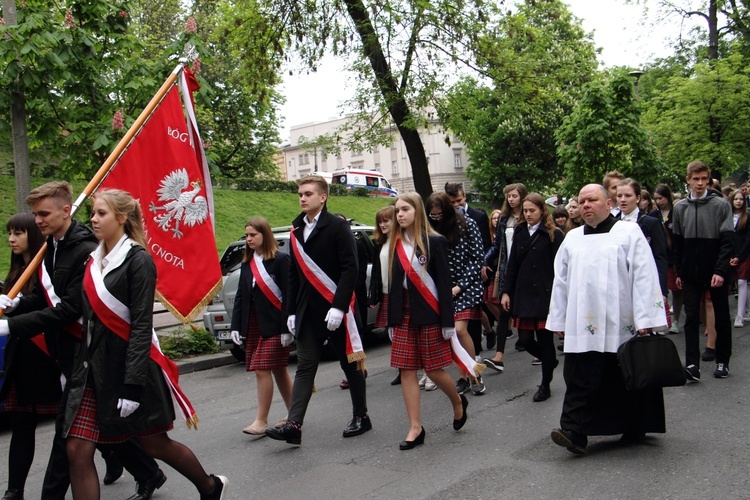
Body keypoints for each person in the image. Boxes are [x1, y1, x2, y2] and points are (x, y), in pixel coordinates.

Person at [0, 182, 165, 500]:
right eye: (35, 215)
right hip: (66, 351)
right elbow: (46, 296)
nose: (38, 221)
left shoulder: (86, 249)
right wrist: (18, 304)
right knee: (96, 428)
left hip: (86, 353)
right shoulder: (54, 245)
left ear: (65, 211)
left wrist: (11, 326)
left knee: (70, 437)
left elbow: (70, 309)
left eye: (44, 214)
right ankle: (149, 471)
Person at [62, 189, 227, 500]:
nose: (94, 220)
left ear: (122, 218)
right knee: (77, 448)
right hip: (91, 372)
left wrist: (133, 385)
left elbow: (141, 326)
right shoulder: (92, 261)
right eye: (93, 213)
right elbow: (80, 312)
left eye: (101, 214)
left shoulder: (138, 261)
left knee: (155, 445)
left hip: (130, 369)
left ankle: (209, 486)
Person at [547, 184, 668, 455]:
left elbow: (644, 274)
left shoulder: (628, 233)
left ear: (609, 203)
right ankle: (574, 432)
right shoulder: (573, 238)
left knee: (624, 375)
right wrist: (560, 320)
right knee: (580, 376)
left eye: (592, 200)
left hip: (621, 320)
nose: (586, 205)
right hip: (583, 323)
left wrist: (647, 316)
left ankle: (634, 424)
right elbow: (561, 282)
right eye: (582, 201)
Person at [267, 175, 370, 445]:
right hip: (307, 311)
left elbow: (350, 268)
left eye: (308, 193)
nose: (302, 198)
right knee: (305, 365)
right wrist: (289, 312)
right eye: (300, 193)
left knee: (350, 364)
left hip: (336, 310)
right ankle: (294, 424)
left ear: (322, 197)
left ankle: (362, 415)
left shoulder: (337, 226)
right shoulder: (296, 229)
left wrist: (338, 307)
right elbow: (293, 275)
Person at [387, 193, 468, 450]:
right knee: (406, 369)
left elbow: (443, 284)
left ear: (417, 211)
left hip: (430, 311)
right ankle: (415, 427)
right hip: (405, 312)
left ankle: (457, 402)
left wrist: (447, 320)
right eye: (397, 210)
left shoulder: (436, 242)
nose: (399, 214)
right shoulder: (396, 243)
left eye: (405, 209)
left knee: (433, 368)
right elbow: (393, 285)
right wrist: (392, 319)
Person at [0, 214, 61, 500]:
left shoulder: (44, 270)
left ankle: (140, 468)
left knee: (75, 428)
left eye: (18, 233)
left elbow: (48, 309)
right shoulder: (14, 272)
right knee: (21, 424)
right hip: (20, 358)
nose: (12, 239)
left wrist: (18, 309)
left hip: (45, 357)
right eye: (10, 233)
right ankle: (15, 490)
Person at [229, 216, 293, 435]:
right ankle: (295, 413)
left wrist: (287, 328)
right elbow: (241, 297)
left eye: (253, 235)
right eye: (247, 235)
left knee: (261, 368)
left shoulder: (281, 260)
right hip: (256, 324)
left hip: (276, 324)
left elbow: (289, 296)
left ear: (265, 235)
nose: (249, 239)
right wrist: (236, 326)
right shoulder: (247, 264)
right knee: (278, 369)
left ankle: (261, 420)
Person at [672, 161, 734, 380]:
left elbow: (727, 241)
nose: (699, 183)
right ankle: (691, 364)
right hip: (690, 271)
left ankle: (723, 361)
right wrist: (679, 271)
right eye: (695, 179)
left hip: (714, 268)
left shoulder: (721, 205)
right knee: (690, 318)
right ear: (688, 179)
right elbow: (677, 242)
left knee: (721, 316)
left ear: (708, 179)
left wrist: (720, 270)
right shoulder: (680, 208)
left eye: (703, 179)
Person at [501, 194, 564, 402]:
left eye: (532, 211)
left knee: (545, 340)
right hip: (523, 292)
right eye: (525, 211)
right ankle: (549, 359)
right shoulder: (519, 232)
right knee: (526, 340)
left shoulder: (553, 234)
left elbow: (560, 268)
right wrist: (506, 291)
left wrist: (559, 296)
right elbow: (512, 265)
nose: (528, 214)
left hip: (545, 294)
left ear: (542, 211)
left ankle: (545, 384)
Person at [427, 192, 486, 395]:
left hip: (467, 286)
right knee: (452, 335)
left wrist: (459, 286)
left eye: (439, 214)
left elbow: (477, 258)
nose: (436, 218)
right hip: (443, 288)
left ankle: (475, 373)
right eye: (432, 215)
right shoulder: (431, 229)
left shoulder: (467, 224)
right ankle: (463, 377)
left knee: (460, 330)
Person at [481, 183, 528, 372]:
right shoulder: (504, 219)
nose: (511, 199)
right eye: (509, 196)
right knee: (504, 311)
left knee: (527, 311)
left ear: (522, 196)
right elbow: (497, 245)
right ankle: (499, 356)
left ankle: (537, 349)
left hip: (526, 270)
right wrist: (484, 261)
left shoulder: (529, 216)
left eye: (515, 195)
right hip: (507, 270)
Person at [444, 182, 489, 359]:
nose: (456, 205)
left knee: (469, 323)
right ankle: (468, 364)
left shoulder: (476, 217)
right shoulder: (444, 222)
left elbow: (485, 244)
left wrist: (484, 265)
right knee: (458, 328)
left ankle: (475, 354)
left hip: (471, 278)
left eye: (459, 201)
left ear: (465, 197)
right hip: (452, 280)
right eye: (452, 202)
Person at [616, 178, 669, 305]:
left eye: (628, 195)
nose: (623, 199)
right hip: (620, 285)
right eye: (619, 196)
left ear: (638, 198)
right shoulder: (613, 223)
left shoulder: (651, 223)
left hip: (645, 281)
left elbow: (659, 257)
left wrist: (662, 290)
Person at [368, 205, 400, 385]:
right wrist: (374, 295)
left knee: (404, 333)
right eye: (379, 222)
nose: (382, 225)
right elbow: (376, 272)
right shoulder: (380, 243)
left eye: (386, 221)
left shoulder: (402, 240)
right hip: (387, 292)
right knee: (391, 333)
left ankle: (424, 370)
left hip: (400, 293)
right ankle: (402, 369)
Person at [650, 184, 683, 334]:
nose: (658, 201)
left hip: (674, 255)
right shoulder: (653, 215)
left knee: (676, 289)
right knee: (661, 290)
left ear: (667, 197)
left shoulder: (677, 213)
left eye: (660, 198)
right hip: (659, 255)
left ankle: (676, 319)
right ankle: (662, 320)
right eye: (656, 198)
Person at [728, 190, 750, 327]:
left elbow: (748, 238)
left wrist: (739, 256)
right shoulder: (727, 216)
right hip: (729, 254)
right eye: (736, 199)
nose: (738, 201)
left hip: (743, 254)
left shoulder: (747, 217)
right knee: (734, 283)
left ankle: (739, 316)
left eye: (741, 199)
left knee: (742, 282)